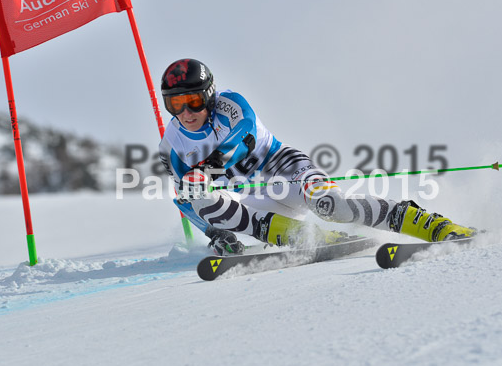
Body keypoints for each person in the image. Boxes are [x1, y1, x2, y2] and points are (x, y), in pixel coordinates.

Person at [158, 58, 476, 255]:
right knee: (197, 196)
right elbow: (184, 200)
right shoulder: (171, 145)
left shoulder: (230, 103)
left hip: (285, 170)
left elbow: (245, 136)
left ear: (209, 95)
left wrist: (210, 168)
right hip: (258, 201)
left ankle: (432, 224)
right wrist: (215, 234)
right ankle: (303, 237)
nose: (186, 112)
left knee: (331, 206)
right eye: (175, 104)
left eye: (194, 101)